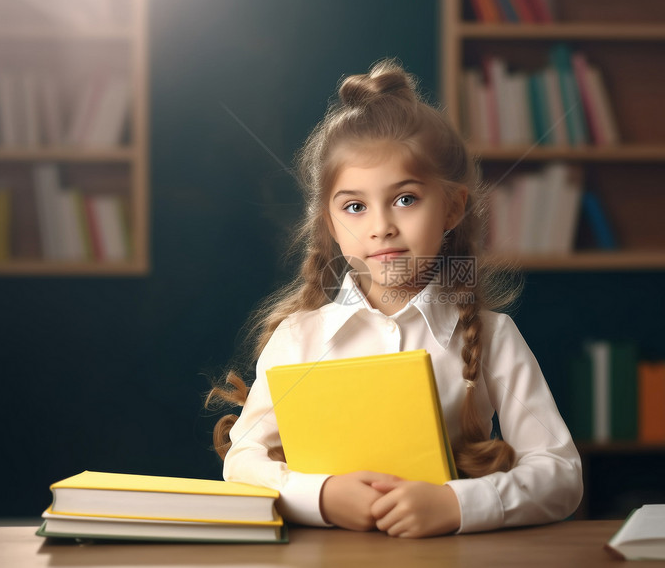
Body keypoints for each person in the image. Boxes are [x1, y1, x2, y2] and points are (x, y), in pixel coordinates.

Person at [206, 58, 582, 538]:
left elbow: (561, 474)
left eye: (405, 199)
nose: (381, 226)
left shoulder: (493, 336)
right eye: (355, 207)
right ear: (330, 223)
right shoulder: (298, 339)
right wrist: (321, 495)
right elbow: (242, 463)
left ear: (451, 207)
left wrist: (456, 504)